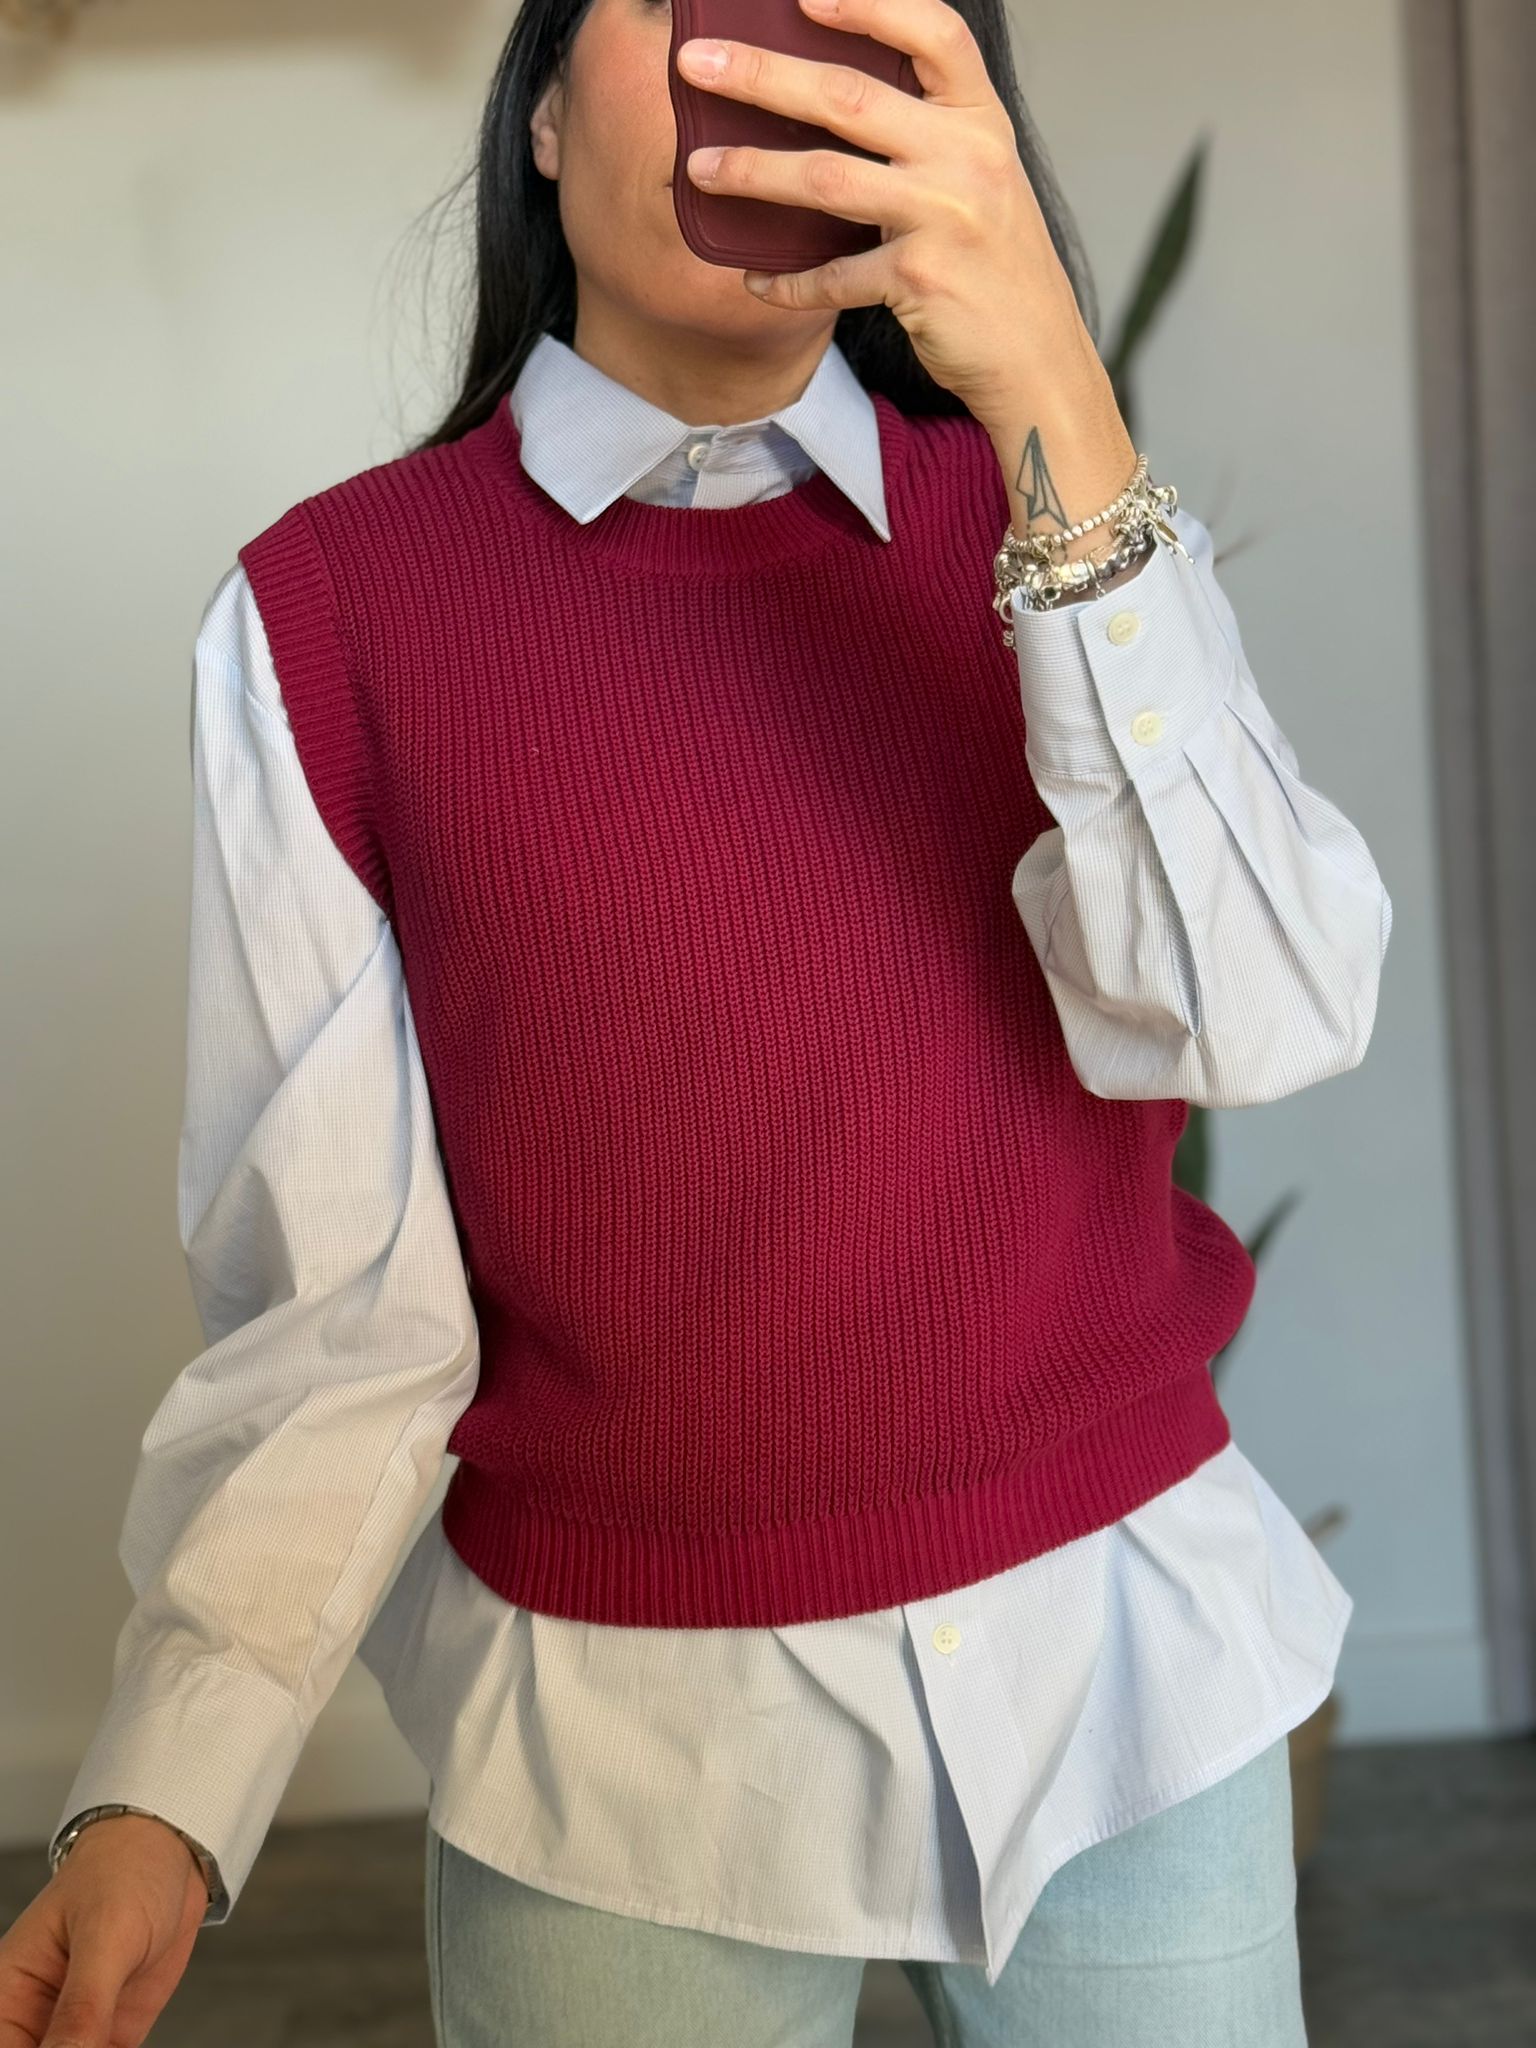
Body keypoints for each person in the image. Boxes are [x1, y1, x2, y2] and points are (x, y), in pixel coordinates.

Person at [1, 0, 1392, 2042]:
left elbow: (1258, 1013)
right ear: (543, 114)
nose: (754, 80)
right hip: (624, 1752)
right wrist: (166, 1776)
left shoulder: (1071, 551)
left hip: (1130, 1671)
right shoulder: (326, 622)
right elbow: (347, 1308)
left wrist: (1061, 414)